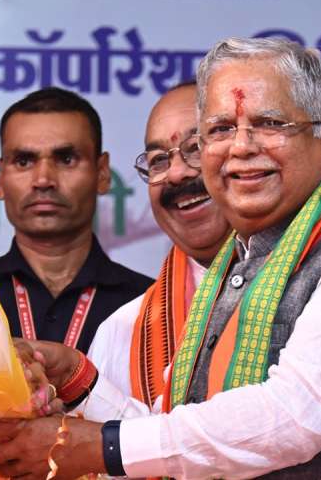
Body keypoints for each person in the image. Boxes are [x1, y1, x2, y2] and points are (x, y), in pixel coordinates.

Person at [0, 37, 321, 479]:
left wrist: (101, 446)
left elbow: (297, 413)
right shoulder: (236, 271)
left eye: (270, 124)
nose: (242, 147)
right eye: (220, 130)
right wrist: (80, 379)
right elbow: (185, 440)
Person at [88, 81, 231, 405]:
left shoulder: (320, 289)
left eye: (196, 147)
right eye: (158, 161)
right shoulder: (121, 332)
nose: (176, 173)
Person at [0, 87, 153, 353]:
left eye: (66, 159)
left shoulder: (150, 304)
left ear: (102, 173)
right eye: (24, 161)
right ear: (0, 179)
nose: (43, 180)